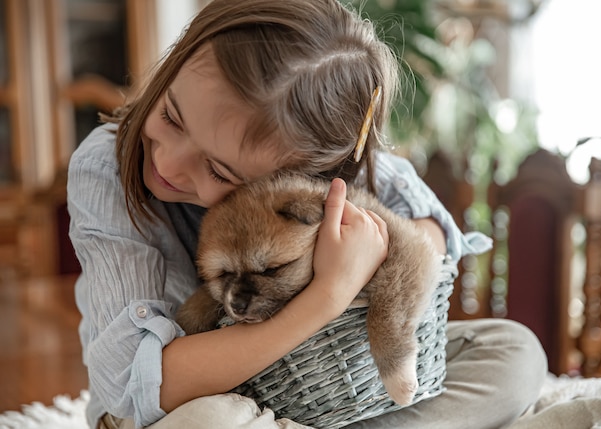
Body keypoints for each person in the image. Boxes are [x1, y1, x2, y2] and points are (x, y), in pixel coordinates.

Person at [67, 1, 547, 428]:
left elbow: (432, 236)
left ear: (307, 178)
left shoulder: (332, 174)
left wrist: (369, 244)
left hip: (331, 388)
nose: (168, 162)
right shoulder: (105, 165)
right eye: (172, 116)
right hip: (187, 399)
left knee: (514, 352)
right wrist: (328, 295)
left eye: (220, 169)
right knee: (213, 419)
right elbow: (134, 384)